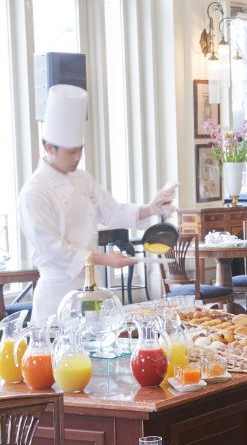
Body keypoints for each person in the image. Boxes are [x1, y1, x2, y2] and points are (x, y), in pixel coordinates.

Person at [18, 84, 177, 322]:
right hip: (57, 294)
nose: (77, 157)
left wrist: (151, 208)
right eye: (71, 152)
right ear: (49, 147)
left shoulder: (82, 178)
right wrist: (103, 258)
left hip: (91, 287)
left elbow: (112, 212)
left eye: (80, 150)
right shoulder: (34, 192)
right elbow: (55, 250)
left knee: (97, 339)